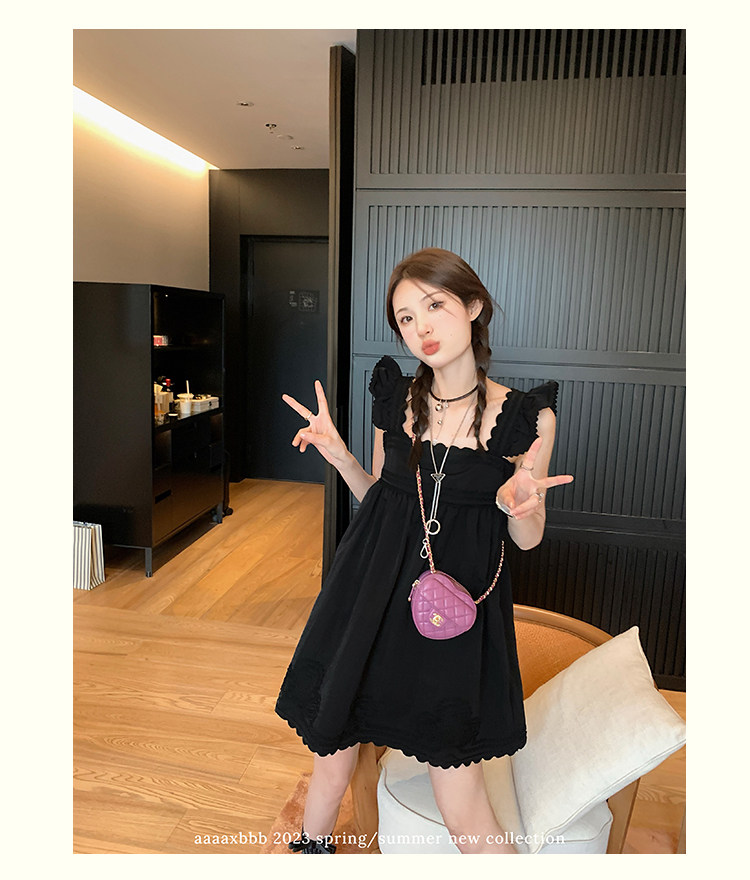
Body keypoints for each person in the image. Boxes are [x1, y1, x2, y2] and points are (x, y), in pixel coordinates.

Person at [275, 247, 573, 854]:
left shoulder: (525, 419)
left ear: (473, 306)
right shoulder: (395, 399)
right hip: (368, 596)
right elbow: (380, 503)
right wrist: (341, 457)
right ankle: (311, 851)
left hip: (449, 623)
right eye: (406, 318)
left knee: (460, 802)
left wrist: (523, 507)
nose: (421, 328)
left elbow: (527, 539)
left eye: (434, 306)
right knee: (331, 756)